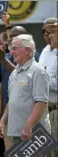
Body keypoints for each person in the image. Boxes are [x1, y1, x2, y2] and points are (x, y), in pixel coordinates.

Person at [0, 34, 51, 148]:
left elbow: (41, 102)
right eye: (11, 49)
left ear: (27, 50)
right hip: (16, 133)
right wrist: (3, 121)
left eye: (14, 48)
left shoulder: (38, 71)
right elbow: (11, 101)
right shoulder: (14, 72)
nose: (11, 52)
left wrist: (28, 126)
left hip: (33, 134)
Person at [45, 21, 58, 157]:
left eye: (53, 33)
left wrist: (42, 78)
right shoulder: (49, 53)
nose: (50, 36)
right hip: (48, 111)